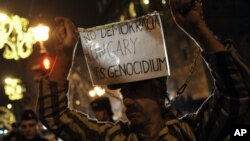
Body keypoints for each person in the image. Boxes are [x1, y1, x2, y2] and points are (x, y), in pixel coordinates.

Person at [37, 0, 250, 140]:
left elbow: (237, 95)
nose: (127, 101)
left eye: (136, 91)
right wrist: (64, 55)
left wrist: (196, 28)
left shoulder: (192, 133)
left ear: (159, 94)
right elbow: (53, 115)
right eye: (124, 94)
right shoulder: (115, 138)